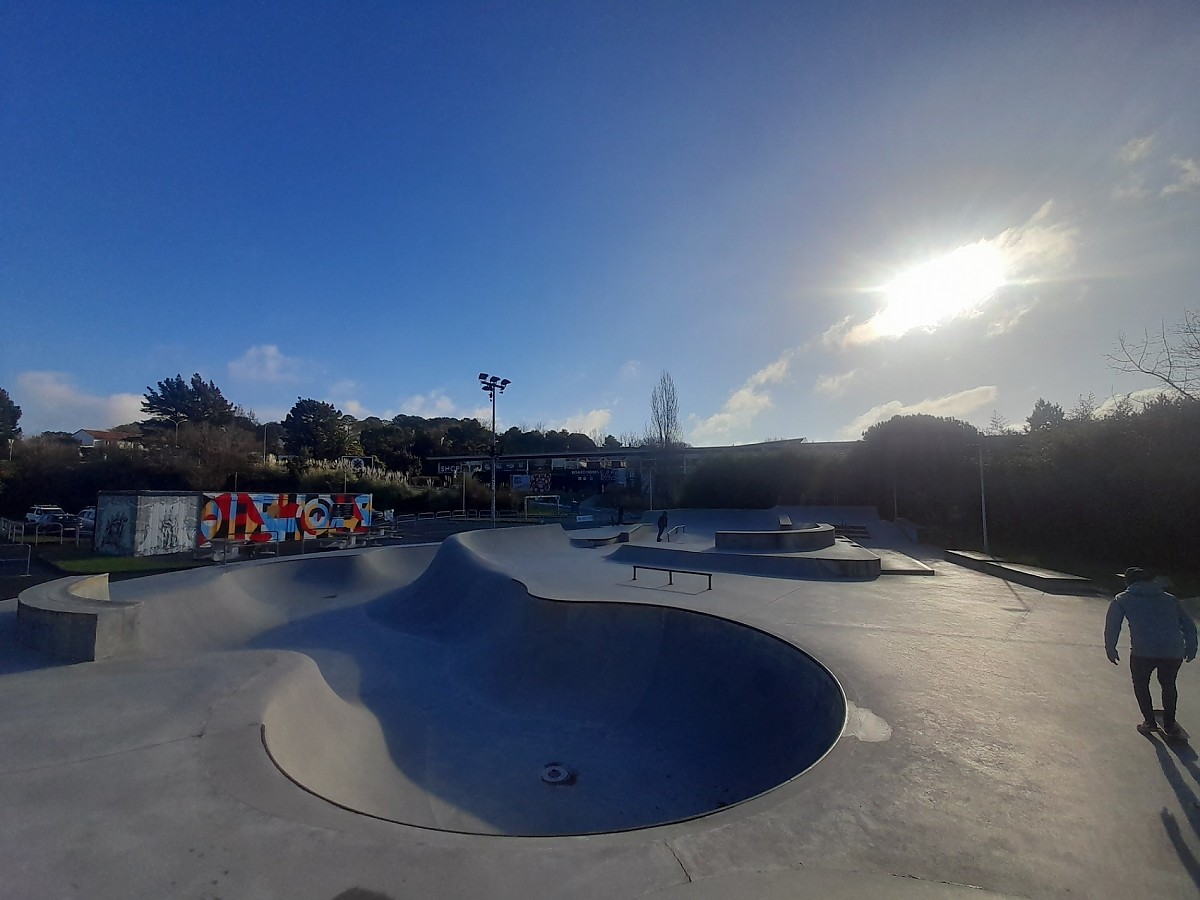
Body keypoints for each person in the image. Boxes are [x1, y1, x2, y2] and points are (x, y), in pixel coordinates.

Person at [1105, 567, 1197, 736]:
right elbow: (1189, 625)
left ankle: (1149, 722)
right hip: (1172, 651)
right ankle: (1169, 724)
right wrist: (1192, 646)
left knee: (1141, 684)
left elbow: (1113, 626)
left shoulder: (1122, 599)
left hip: (1143, 652)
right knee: (1168, 684)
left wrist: (1110, 647)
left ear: (1127, 582)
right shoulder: (1170, 599)